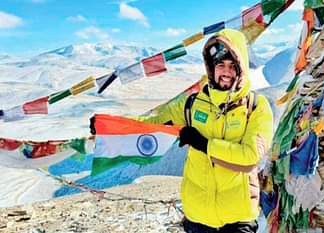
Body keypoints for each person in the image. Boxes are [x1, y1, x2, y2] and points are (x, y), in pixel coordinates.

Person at [91, 28, 273, 233]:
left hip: (238, 219)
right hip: (197, 217)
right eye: (220, 65)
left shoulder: (256, 106)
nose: (226, 72)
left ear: (242, 68)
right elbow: (152, 123)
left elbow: (250, 156)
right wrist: (109, 126)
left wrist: (203, 144)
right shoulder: (192, 104)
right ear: (211, 68)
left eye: (233, 66)